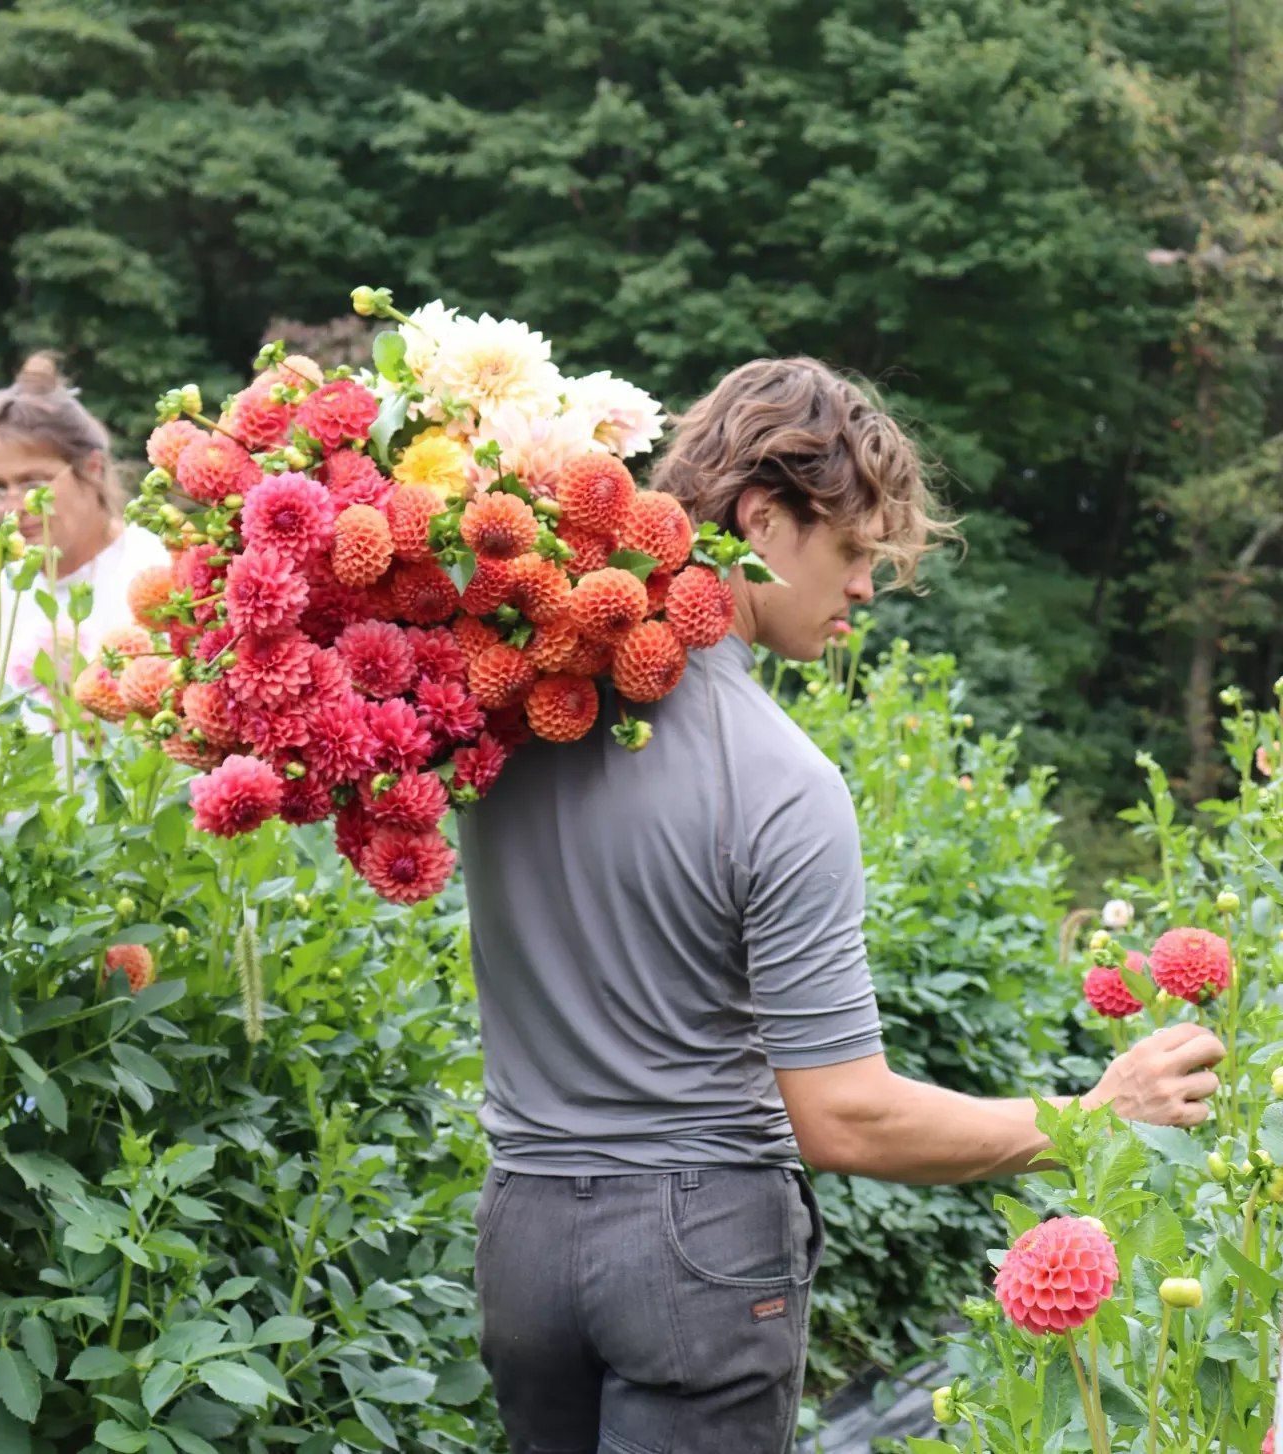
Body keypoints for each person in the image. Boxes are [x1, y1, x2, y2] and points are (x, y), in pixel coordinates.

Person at [456, 357, 1225, 1454]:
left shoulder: (513, 711)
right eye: (857, 551)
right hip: (691, 1252)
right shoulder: (779, 780)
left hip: (521, 1236)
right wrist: (1096, 1117)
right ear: (762, 519)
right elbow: (844, 1114)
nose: (868, 586)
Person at [0, 352, 168, 713]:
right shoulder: (8, 591)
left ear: (91, 467)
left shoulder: (152, 572)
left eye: (34, 482)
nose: (14, 507)